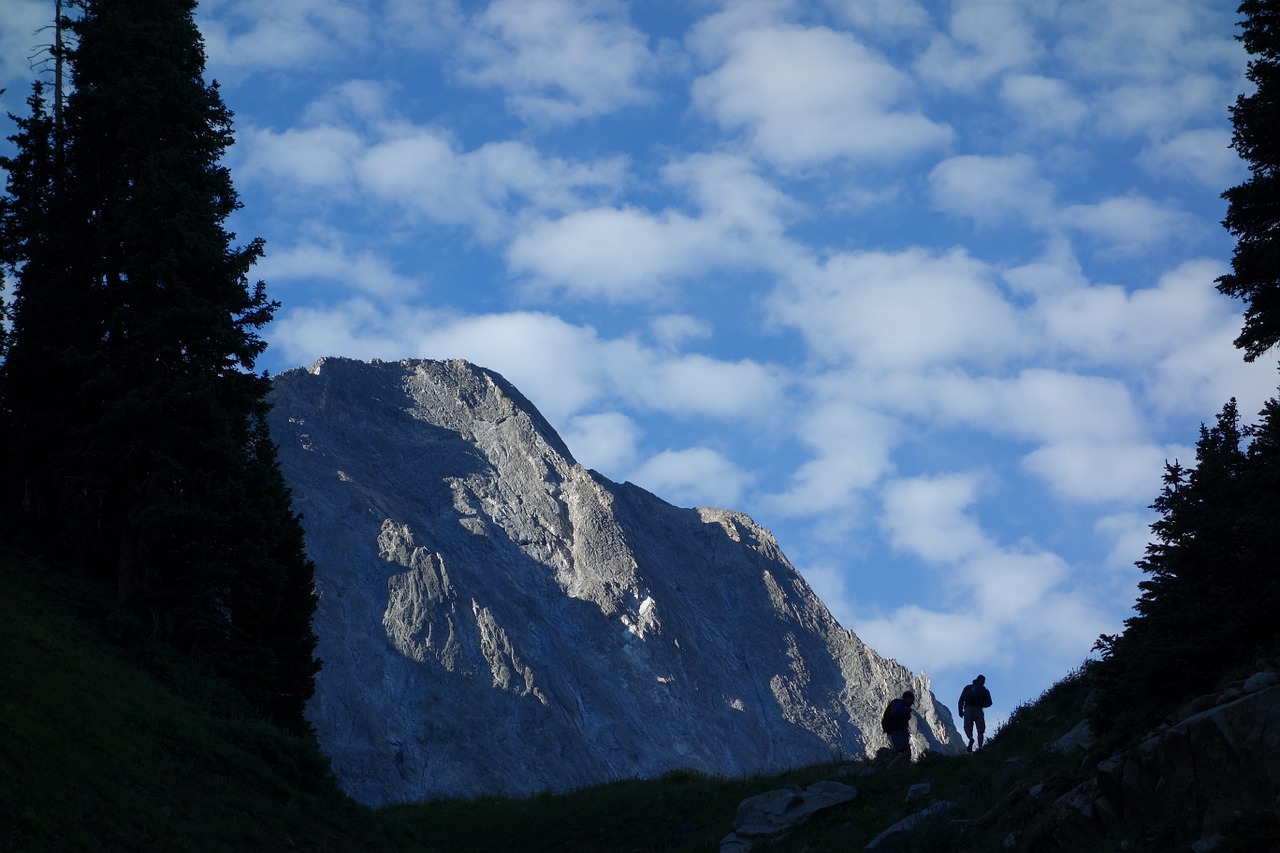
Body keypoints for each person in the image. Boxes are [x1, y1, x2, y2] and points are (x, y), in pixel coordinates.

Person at [958, 674, 993, 752]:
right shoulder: (984, 690)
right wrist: (981, 705)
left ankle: (971, 739)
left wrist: (960, 711)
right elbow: (990, 703)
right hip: (979, 710)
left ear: (976, 679)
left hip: (968, 709)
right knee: (980, 730)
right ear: (983, 682)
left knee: (967, 727)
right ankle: (980, 747)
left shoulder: (968, 687)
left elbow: (961, 700)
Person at [885, 690, 916, 769]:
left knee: (908, 752)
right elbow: (896, 713)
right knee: (905, 752)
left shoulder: (901, 704)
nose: (912, 702)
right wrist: (907, 711)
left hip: (900, 731)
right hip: (898, 731)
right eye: (912, 700)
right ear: (907, 698)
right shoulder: (901, 704)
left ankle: (905, 770)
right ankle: (890, 767)